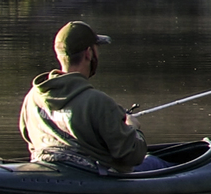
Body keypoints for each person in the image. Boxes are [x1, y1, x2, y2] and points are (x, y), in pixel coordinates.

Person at [20, 21, 149, 173]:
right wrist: (133, 129)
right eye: (97, 48)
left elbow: (30, 140)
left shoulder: (33, 97)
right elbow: (133, 156)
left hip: (49, 170)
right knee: (156, 163)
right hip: (94, 178)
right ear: (88, 53)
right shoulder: (97, 102)